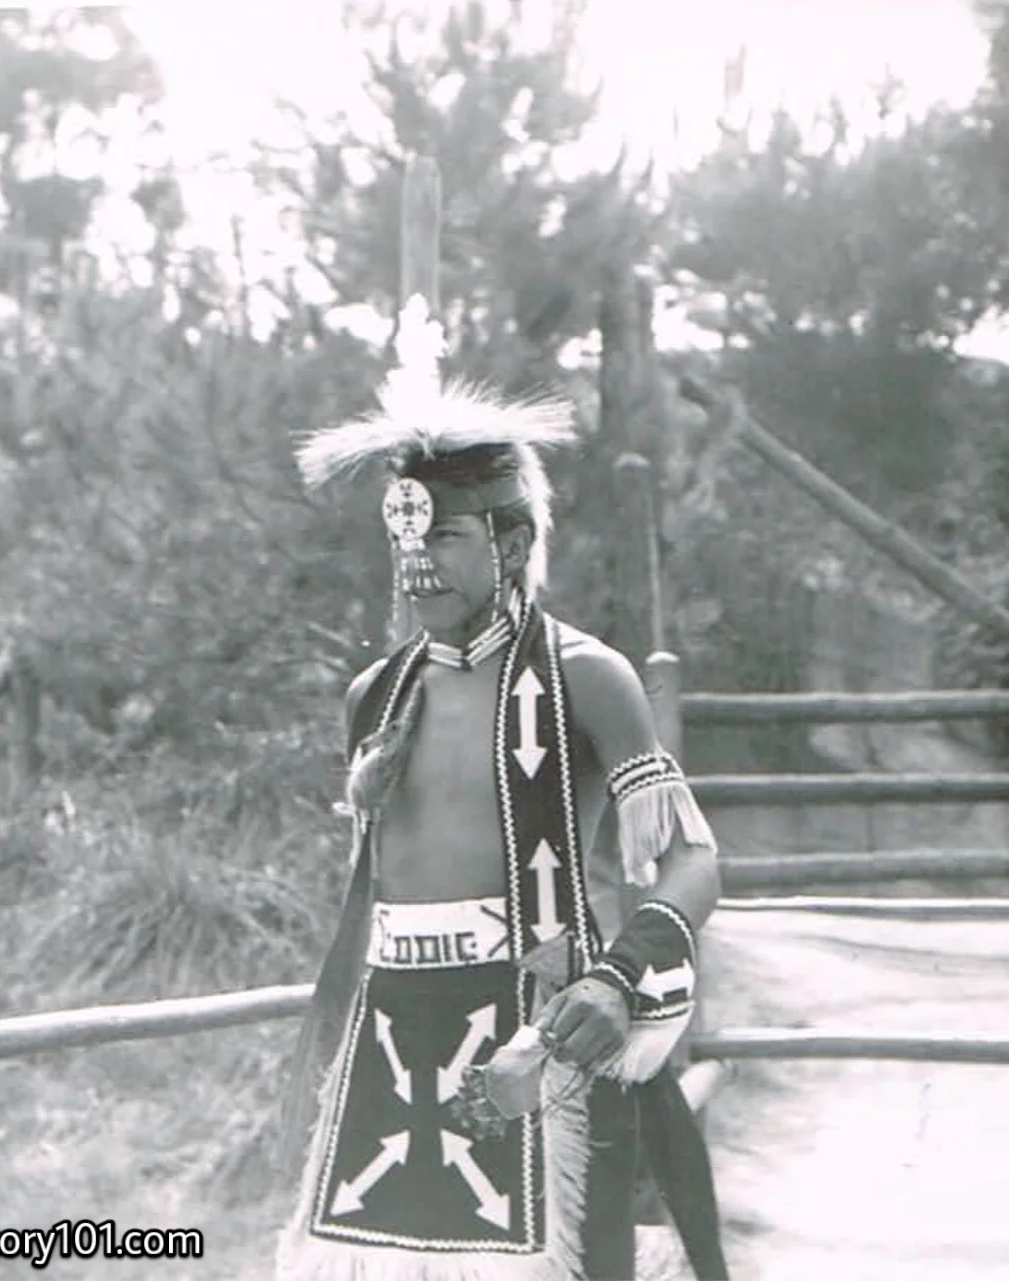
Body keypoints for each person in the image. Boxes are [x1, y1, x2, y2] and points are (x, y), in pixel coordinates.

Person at [276, 297, 728, 1281]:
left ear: (513, 545)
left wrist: (620, 979)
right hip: (392, 1044)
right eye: (404, 535)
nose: (415, 559)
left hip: (541, 1037)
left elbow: (692, 856)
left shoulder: (585, 676)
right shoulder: (376, 697)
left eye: (443, 537)